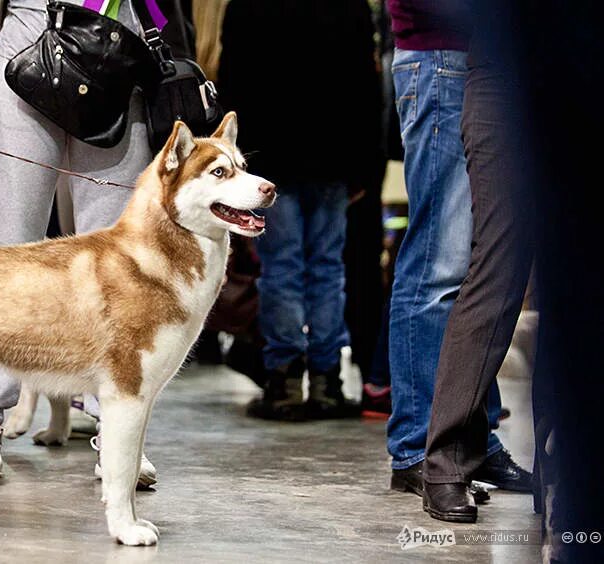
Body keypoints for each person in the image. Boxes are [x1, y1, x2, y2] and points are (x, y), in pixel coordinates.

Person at [0, 0, 162, 484]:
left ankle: (117, 425)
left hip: (118, 40)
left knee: (120, 260)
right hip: (32, 33)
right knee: (5, 247)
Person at [384, 0, 530, 499]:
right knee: (437, 265)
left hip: (474, 60)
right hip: (440, 59)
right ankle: (417, 447)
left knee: (475, 267)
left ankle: (471, 439)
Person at [218, 0, 379, 421]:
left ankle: (284, 379)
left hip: (273, 157)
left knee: (280, 268)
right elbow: (365, 84)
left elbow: (233, 83)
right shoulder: (351, 8)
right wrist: (366, 165)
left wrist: (238, 162)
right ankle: (327, 380)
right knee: (328, 267)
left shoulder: (247, 8)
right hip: (334, 156)